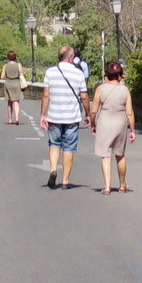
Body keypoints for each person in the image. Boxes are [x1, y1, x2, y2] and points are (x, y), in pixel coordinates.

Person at [42, 46, 90, 188]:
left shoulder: (50, 72)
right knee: (69, 147)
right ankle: (65, 180)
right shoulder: (78, 73)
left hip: (54, 115)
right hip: (72, 117)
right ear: (70, 57)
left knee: (54, 144)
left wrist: (42, 114)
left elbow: (46, 95)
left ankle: (53, 170)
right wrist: (88, 114)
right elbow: (84, 96)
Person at [92, 58, 135, 194]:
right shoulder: (125, 90)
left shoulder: (100, 89)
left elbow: (93, 110)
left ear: (106, 74)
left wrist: (93, 123)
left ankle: (107, 186)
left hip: (104, 120)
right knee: (120, 154)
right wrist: (132, 129)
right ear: (119, 76)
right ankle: (122, 184)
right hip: (120, 121)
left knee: (106, 155)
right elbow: (129, 112)